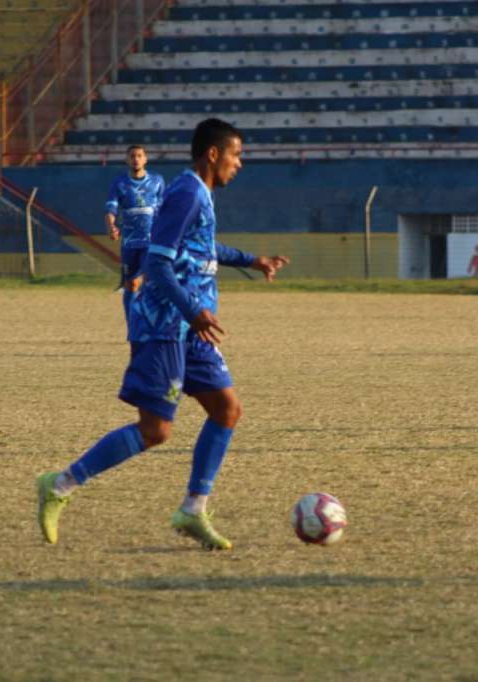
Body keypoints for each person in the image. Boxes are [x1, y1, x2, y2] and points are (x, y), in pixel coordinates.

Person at [37, 119, 290, 550]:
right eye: (236, 155)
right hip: (164, 325)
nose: (239, 163)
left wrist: (252, 259)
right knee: (155, 431)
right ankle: (58, 485)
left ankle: (193, 509)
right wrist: (193, 311)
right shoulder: (188, 193)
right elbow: (156, 263)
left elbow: (204, 249)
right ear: (214, 154)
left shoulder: (198, 194)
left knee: (226, 410)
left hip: (190, 328)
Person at [105, 144, 165, 322]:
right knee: (131, 284)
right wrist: (111, 226)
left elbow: (163, 209)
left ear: (145, 159)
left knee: (150, 281)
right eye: (132, 156)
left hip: (151, 241)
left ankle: (151, 323)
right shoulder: (120, 183)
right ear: (127, 160)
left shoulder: (157, 181)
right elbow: (111, 208)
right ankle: (133, 326)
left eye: (139, 155)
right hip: (130, 243)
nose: (136, 159)